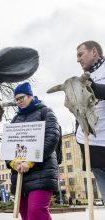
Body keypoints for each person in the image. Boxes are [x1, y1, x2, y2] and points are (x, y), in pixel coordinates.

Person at [6, 82, 60, 220]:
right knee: (25, 213)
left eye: (21, 97)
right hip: (20, 175)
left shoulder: (45, 112)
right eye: (16, 99)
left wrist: (30, 161)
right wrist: (12, 163)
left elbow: (52, 138)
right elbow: (8, 146)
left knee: (36, 212)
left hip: (42, 171)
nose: (19, 102)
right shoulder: (15, 119)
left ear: (30, 96)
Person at [76, 40, 105, 203]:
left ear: (94, 52)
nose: (78, 60)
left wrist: (94, 88)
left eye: (81, 54)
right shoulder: (84, 78)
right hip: (94, 150)